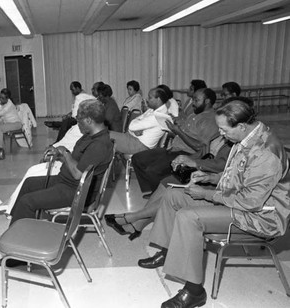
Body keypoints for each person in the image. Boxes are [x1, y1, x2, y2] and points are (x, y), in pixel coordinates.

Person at [137, 100, 289, 308]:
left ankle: (194, 291)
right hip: (238, 202)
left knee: (188, 217)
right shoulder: (246, 139)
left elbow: (250, 201)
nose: (220, 133)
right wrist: (211, 178)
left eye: (223, 129)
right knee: (173, 196)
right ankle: (167, 251)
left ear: (242, 126)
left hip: (259, 217)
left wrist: (207, 194)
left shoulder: (265, 152)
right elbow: (239, 178)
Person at [7, 99, 113, 224]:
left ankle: (20, 237)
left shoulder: (99, 145)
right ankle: (17, 224)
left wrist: (64, 152)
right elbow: (76, 160)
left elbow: (78, 174)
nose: (77, 123)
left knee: (27, 201)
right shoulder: (90, 135)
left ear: (89, 120)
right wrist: (59, 154)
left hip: (76, 191)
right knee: (29, 183)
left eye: (79, 120)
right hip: (66, 182)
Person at [0, 99, 97, 216]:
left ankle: (11, 206)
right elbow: (67, 145)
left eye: (78, 115)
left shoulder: (91, 138)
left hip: (68, 178)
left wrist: (62, 153)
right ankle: (11, 205)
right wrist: (56, 149)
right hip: (65, 170)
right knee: (30, 177)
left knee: (31, 175)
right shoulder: (84, 131)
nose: (75, 115)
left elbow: (77, 170)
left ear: (88, 119)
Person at [132, 88, 219, 197]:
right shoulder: (194, 115)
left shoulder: (210, 120)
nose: (193, 103)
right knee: (137, 158)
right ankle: (152, 191)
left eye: (196, 100)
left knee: (152, 170)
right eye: (193, 100)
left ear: (207, 101)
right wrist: (171, 127)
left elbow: (199, 147)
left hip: (188, 154)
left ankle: (159, 197)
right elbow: (182, 134)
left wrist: (178, 131)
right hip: (174, 149)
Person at [110, 88, 171, 154]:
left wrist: (136, 126)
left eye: (150, 97)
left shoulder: (158, 116)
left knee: (103, 137)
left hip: (139, 145)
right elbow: (135, 122)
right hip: (133, 139)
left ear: (158, 99)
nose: (147, 99)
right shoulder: (152, 110)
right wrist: (136, 127)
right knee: (103, 135)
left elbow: (131, 126)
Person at [0, 88, 22, 159]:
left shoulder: (9, 105)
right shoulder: (1, 103)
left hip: (15, 123)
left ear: (7, 98)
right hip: (6, 122)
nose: (0, 99)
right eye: (0, 97)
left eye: (2, 98)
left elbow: (0, 113)